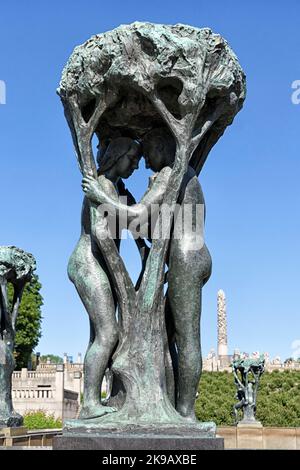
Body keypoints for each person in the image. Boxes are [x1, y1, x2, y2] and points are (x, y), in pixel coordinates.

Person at [82, 128, 212, 421]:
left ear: (162, 147)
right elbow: (151, 228)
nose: (146, 165)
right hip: (193, 255)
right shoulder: (185, 175)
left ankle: (186, 415)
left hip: (186, 258)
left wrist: (100, 195)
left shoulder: (171, 173)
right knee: (168, 339)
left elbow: (139, 216)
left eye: (149, 154)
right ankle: (176, 406)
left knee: (188, 338)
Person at [69, 136, 142, 419]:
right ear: (116, 156)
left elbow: (135, 221)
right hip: (89, 262)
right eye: (131, 158)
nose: (135, 164)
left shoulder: (118, 188)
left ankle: (95, 400)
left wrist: (142, 246)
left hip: (100, 265)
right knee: (109, 333)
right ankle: (89, 404)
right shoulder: (101, 185)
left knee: (99, 335)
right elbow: (101, 235)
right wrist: (121, 278)